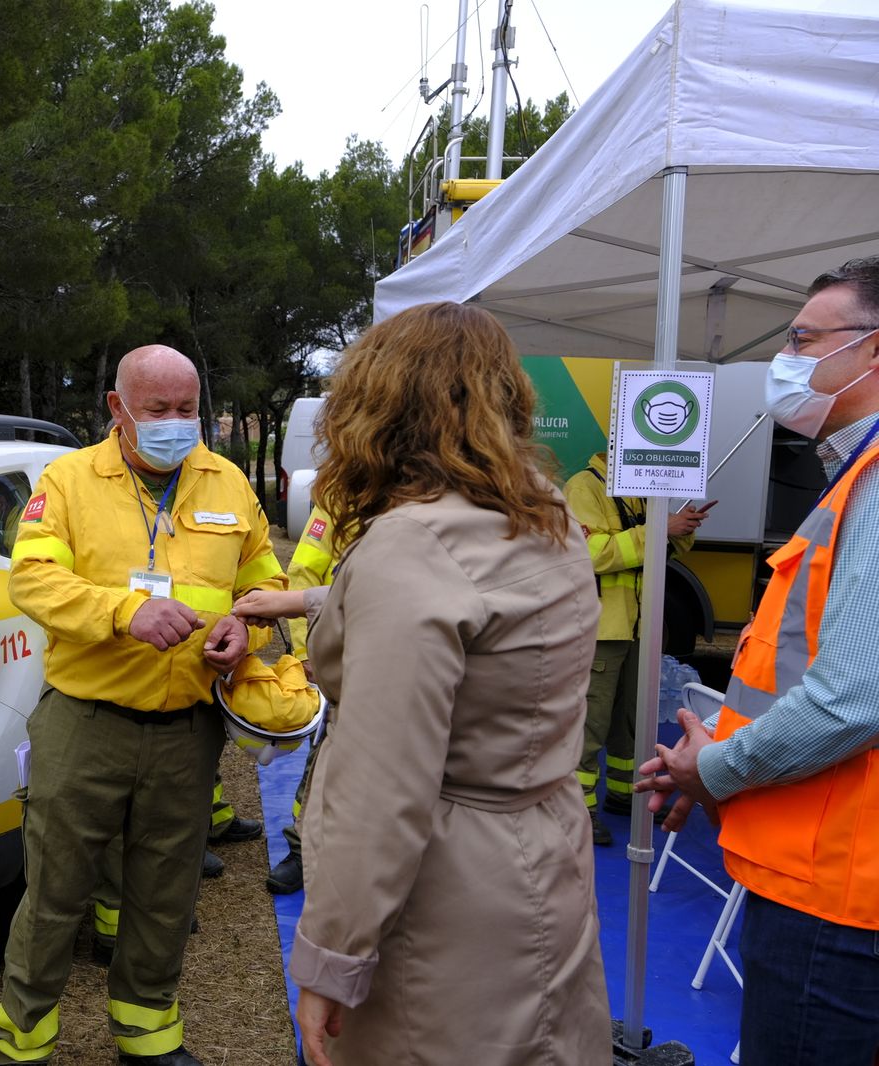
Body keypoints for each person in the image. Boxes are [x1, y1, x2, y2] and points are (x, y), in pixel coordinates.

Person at [234, 302, 608, 1066]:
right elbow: (479, 620)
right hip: (545, 852)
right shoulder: (548, 518)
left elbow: (383, 791)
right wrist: (311, 599)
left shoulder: (411, 543)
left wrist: (331, 960)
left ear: (377, 406)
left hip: (446, 895)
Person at [0, 344, 284, 1066]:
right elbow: (31, 580)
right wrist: (124, 612)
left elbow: (263, 581)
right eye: (158, 410)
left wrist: (243, 629)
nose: (176, 424)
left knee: (166, 891)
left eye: (188, 410)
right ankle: (24, 1037)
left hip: (188, 725)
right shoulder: (67, 481)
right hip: (87, 721)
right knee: (56, 892)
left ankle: (148, 1032)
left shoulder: (228, 484)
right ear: (118, 410)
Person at [637, 257, 879, 1066]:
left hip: (838, 896)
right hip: (825, 874)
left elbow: (851, 698)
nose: (788, 361)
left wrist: (718, 767)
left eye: (806, 340)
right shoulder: (852, 480)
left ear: (872, 352)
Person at [565, 450, 707, 845]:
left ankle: (627, 793)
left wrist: (682, 529)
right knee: (591, 723)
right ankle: (580, 809)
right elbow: (590, 554)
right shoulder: (584, 487)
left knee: (631, 719)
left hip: (636, 628)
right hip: (601, 629)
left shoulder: (638, 493)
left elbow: (656, 553)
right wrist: (662, 527)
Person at [263, 502, 345, 895]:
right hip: (345, 660)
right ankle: (302, 849)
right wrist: (305, 651)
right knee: (323, 759)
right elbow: (303, 575)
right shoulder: (341, 500)